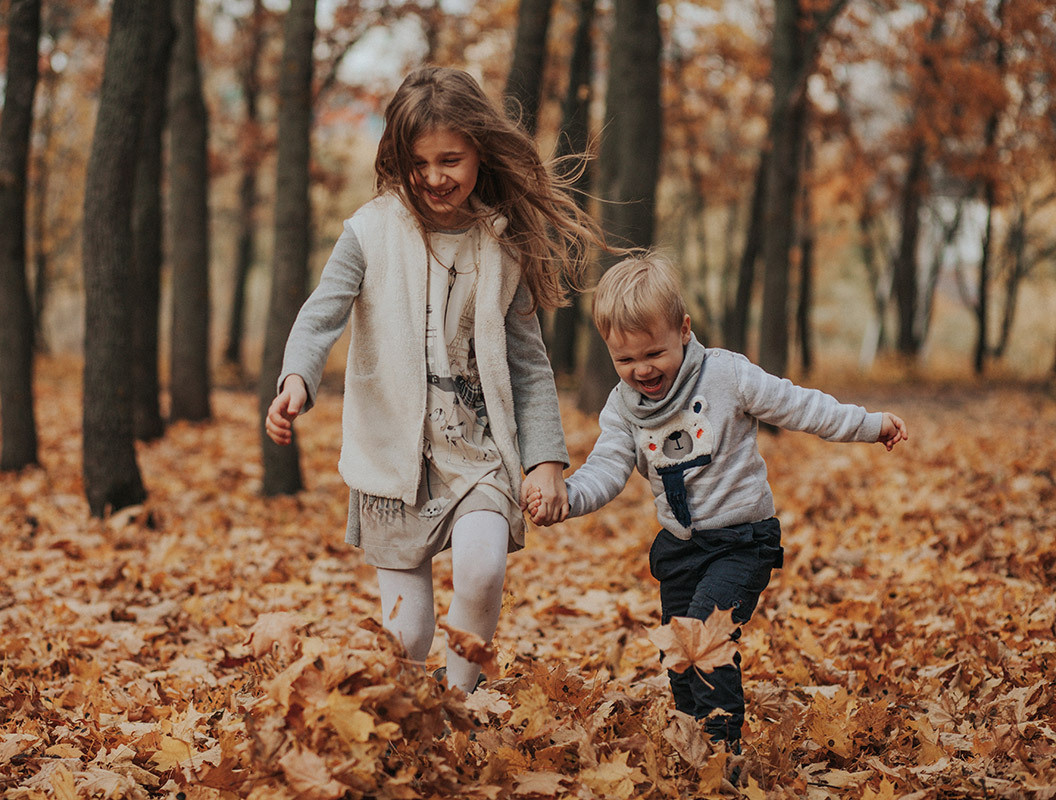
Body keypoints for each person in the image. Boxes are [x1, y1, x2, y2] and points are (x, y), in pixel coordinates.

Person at [265, 66, 607, 693]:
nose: (434, 177)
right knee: (409, 633)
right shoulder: (370, 232)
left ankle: (459, 705)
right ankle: (406, 713)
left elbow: (530, 365)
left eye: (450, 160)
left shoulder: (501, 243)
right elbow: (321, 315)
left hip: (478, 452)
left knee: (482, 570)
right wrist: (297, 380)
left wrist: (546, 460)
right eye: (418, 163)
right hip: (394, 461)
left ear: (480, 151)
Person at [526, 252, 908, 748]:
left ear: (684, 330)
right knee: (679, 651)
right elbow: (607, 468)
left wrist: (870, 424)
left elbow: (801, 406)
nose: (642, 369)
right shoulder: (623, 408)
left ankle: (722, 748)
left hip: (741, 541)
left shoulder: (726, 375)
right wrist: (568, 497)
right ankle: (693, 741)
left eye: (653, 353)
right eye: (625, 360)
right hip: (681, 549)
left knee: (705, 634)